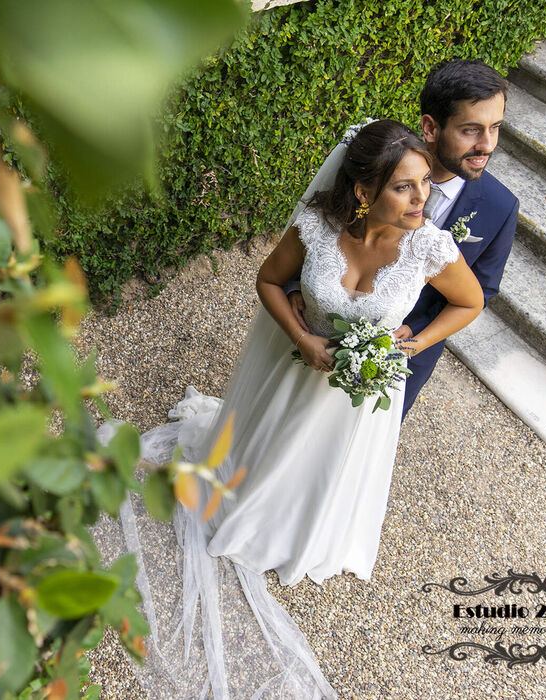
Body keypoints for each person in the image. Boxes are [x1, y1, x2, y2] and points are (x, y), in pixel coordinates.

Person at [99, 120, 484, 698]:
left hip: (359, 399)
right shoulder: (317, 227)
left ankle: (310, 529)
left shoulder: (428, 244)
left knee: (330, 467)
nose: (422, 198)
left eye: (424, 182)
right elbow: (269, 280)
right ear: (362, 191)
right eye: (405, 187)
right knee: (267, 449)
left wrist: (406, 345)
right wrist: (304, 340)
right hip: (294, 374)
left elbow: (470, 302)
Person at [287, 59, 519, 418]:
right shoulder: (376, 159)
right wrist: (297, 290)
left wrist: (413, 337)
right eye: (471, 130)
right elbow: (322, 228)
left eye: (495, 128)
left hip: (397, 363)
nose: (487, 145)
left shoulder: (500, 207)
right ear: (430, 127)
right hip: (316, 336)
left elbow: (480, 293)